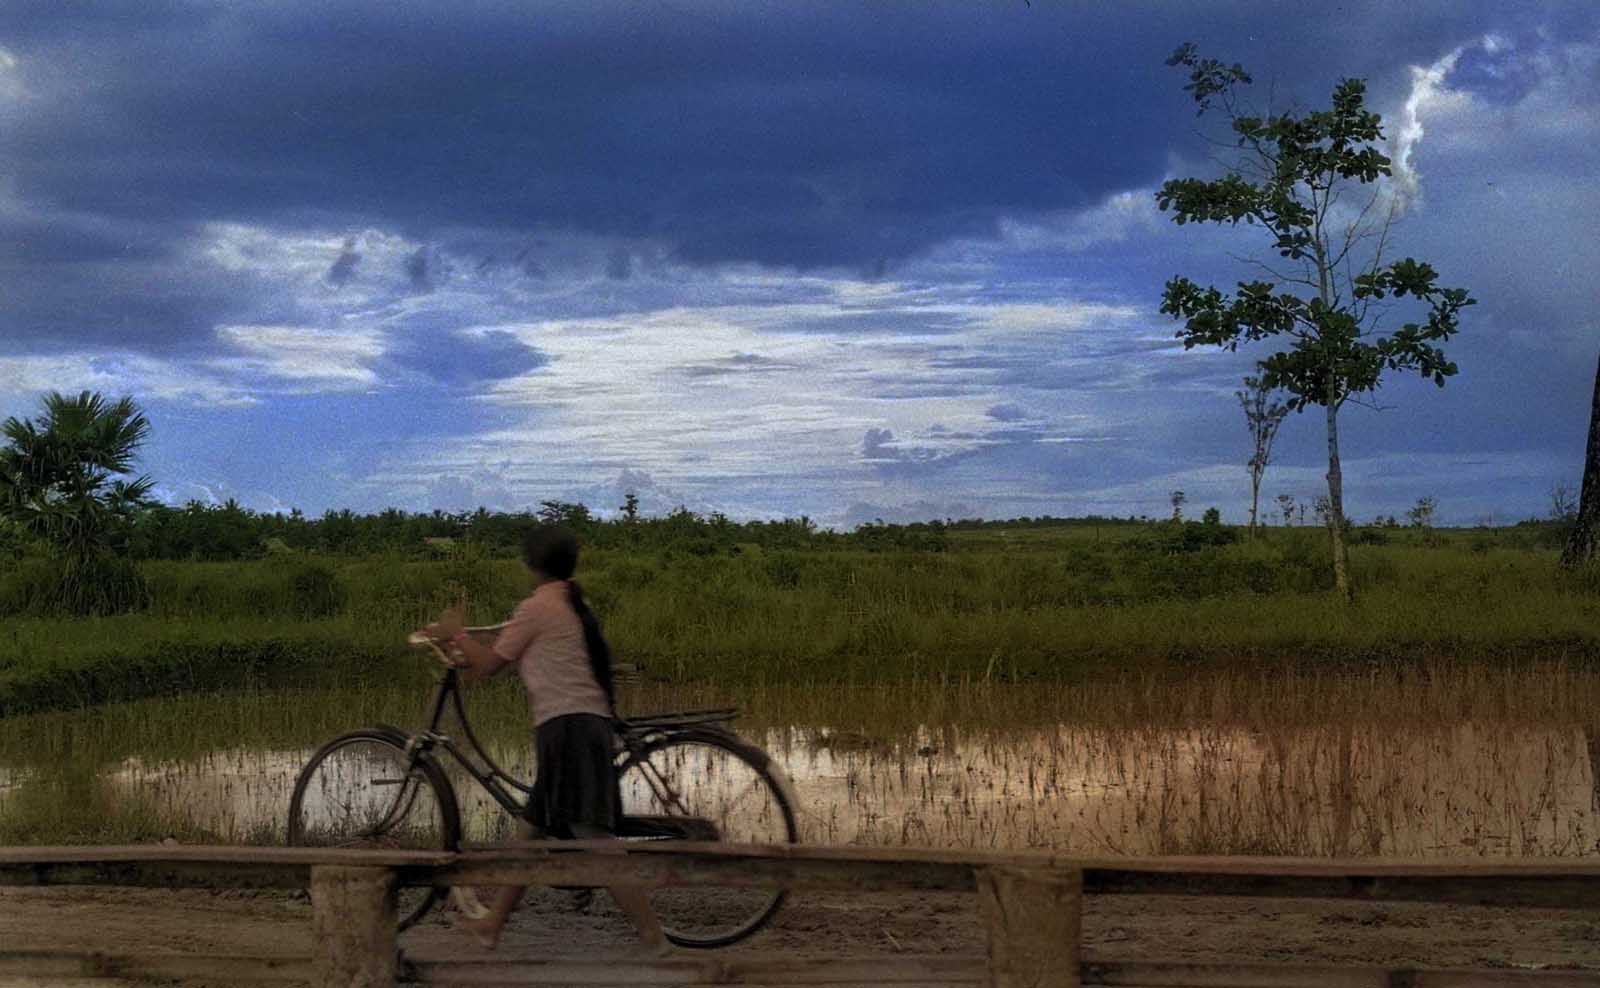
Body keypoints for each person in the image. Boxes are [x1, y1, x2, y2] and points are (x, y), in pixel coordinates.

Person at [423, 524, 667, 952]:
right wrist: (467, 639)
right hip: (578, 726)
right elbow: (502, 648)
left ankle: (653, 936)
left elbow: (486, 667)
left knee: (596, 841)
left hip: (567, 729)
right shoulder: (569, 603)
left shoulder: (537, 608)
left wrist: (457, 635)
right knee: (529, 832)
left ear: (531, 565)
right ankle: (492, 925)